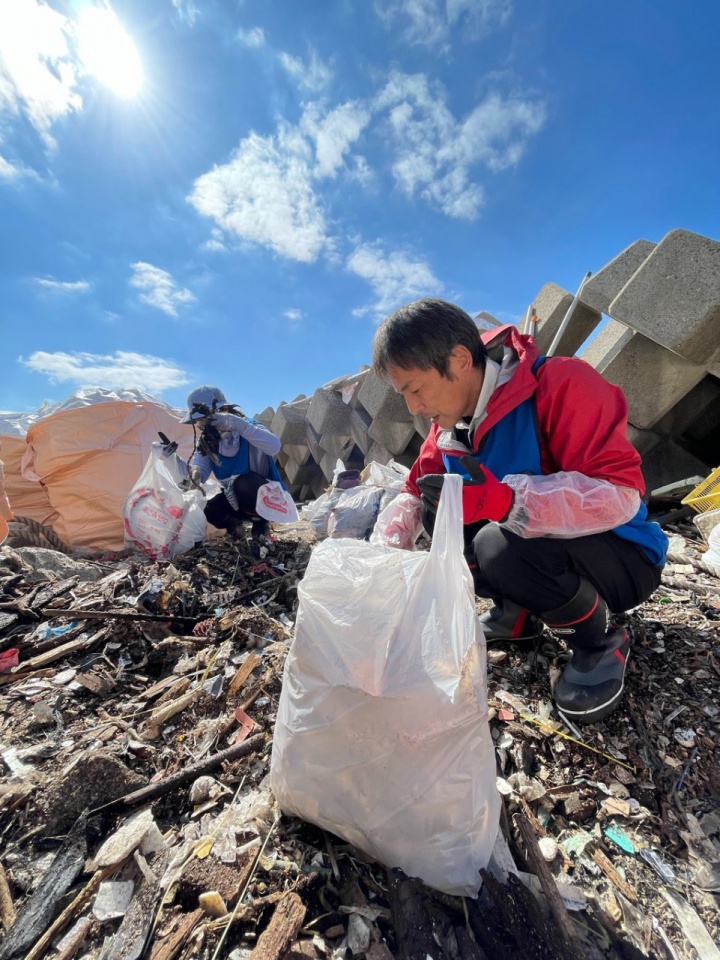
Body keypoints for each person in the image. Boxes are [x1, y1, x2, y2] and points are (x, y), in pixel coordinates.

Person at [371, 299, 668, 724]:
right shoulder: (447, 431)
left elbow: (620, 496)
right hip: (541, 555)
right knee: (440, 511)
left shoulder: (560, 383)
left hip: (622, 557)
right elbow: (412, 497)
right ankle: (517, 616)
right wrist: (379, 557)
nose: (414, 408)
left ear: (458, 359)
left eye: (415, 390)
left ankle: (598, 641)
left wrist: (506, 501)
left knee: (498, 542)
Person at [181, 386, 283, 540]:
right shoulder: (208, 442)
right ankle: (234, 528)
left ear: (223, 409)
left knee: (245, 482)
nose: (202, 424)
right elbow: (199, 472)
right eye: (198, 421)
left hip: (265, 498)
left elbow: (274, 446)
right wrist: (175, 463)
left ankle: (261, 525)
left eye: (205, 418)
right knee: (207, 507)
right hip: (235, 500)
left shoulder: (248, 426)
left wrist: (238, 425)